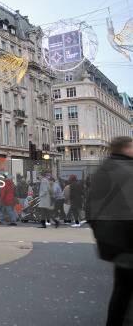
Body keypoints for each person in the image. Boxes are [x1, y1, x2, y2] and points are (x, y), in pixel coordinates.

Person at [87, 136, 133, 326]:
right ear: (125, 148)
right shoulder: (125, 170)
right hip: (127, 238)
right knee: (124, 291)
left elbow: (91, 208)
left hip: (113, 239)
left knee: (122, 289)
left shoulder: (103, 169)